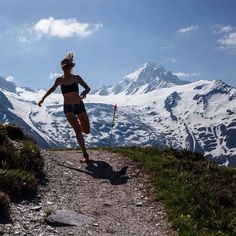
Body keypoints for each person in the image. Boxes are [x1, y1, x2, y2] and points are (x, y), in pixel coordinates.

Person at [38, 52, 91, 163]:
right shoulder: (59, 80)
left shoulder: (76, 78)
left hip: (79, 105)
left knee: (86, 130)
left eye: (68, 67)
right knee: (77, 131)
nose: (66, 69)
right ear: (62, 68)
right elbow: (51, 89)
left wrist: (84, 93)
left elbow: (87, 88)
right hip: (68, 108)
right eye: (64, 67)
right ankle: (85, 155)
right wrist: (43, 98)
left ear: (71, 67)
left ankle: (80, 127)